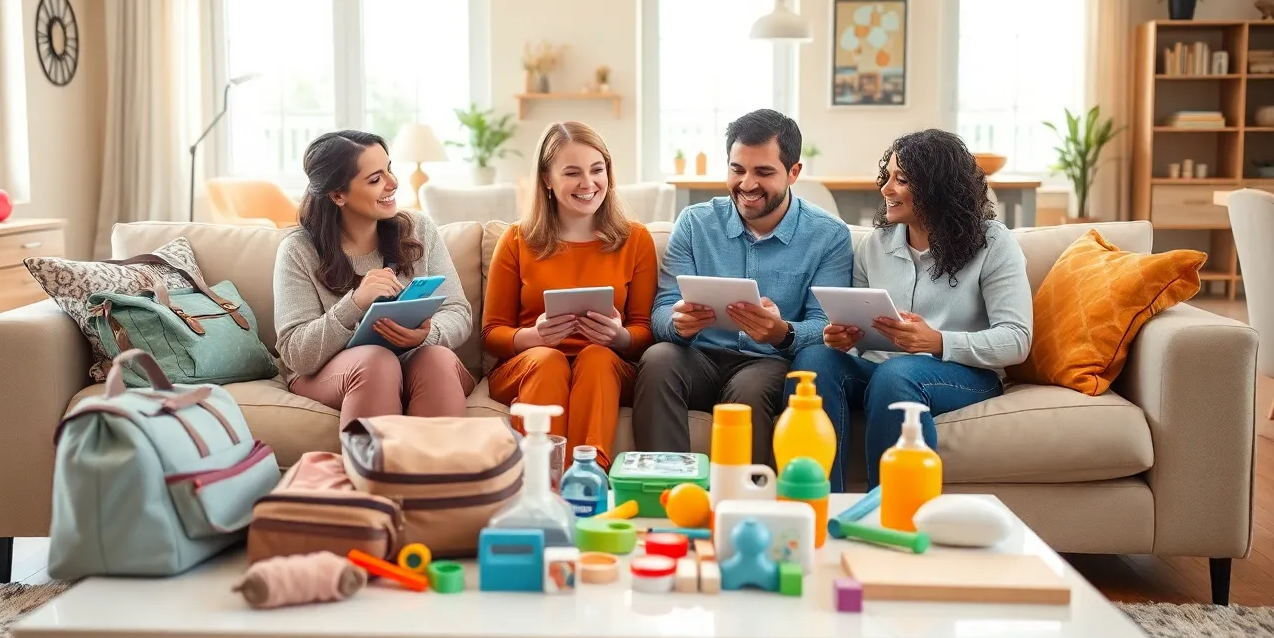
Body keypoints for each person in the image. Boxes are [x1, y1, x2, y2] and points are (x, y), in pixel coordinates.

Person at [794, 129, 1033, 491]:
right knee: (813, 362)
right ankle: (818, 505)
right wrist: (844, 337)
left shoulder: (994, 243)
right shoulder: (875, 245)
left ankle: (891, 517)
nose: (885, 189)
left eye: (900, 180)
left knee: (898, 374)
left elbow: (1016, 340)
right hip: (881, 369)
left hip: (965, 374)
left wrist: (936, 341)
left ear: (938, 188)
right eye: (887, 176)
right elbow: (857, 332)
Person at [632, 109, 854, 465]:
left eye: (763, 172)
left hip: (767, 363)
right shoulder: (694, 223)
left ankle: (746, 504)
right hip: (697, 357)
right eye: (737, 170)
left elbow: (828, 329)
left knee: (748, 390)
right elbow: (661, 311)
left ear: (793, 172)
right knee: (658, 359)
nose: (747, 184)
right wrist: (676, 323)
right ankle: (666, 494)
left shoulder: (828, 236)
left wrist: (783, 333)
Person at [482, 121, 658, 470]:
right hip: (532, 365)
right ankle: (540, 475)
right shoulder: (518, 240)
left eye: (597, 170)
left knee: (596, 357)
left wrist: (620, 337)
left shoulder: (635, 240)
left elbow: (646, 330)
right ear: (547, 179)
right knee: (548, 359)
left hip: (607, 368)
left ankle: (588, 475)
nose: (588, 183)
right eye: (572, 173)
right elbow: (491, 334)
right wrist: (532, 337)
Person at [274, 129, 475, 430]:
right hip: (336, 372)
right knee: (376, 361)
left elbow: (458, 311)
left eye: (390, 169)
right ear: (338, 195)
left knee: (436, 359)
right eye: (375, 179)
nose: (393, 183)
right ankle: (374, 473)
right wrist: (354, 303)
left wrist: (428, 335)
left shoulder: (417, 229)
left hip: (417, 360)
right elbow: (296, 354)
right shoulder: (298, 250)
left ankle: (436, 474)